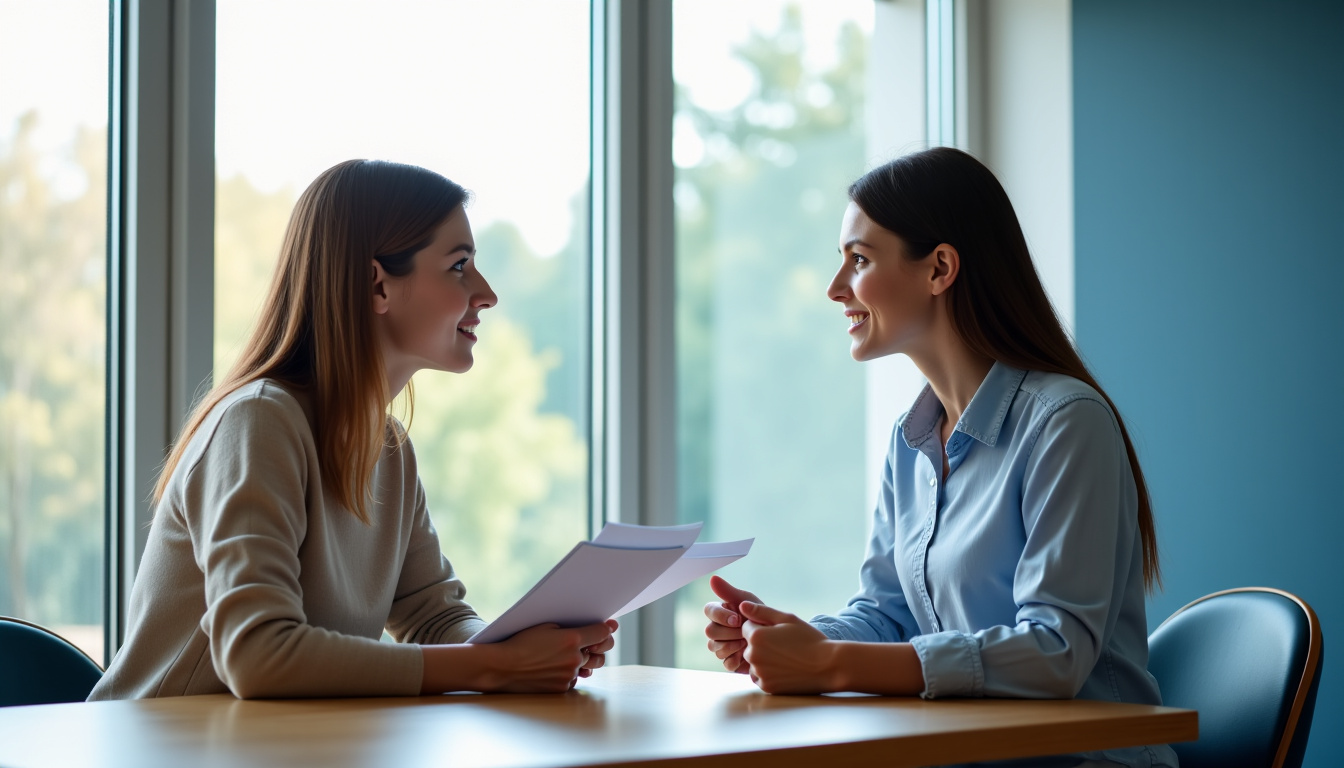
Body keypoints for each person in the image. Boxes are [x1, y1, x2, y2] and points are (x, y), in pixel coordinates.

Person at [703, 147, 1176, 767]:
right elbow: (890, 614)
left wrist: (831, 663)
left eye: (860, 260)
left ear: (940, 268)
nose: (835, 287)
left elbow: (1056, 653)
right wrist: (793, 638)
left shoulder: (1065, 422)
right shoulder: (912, 440)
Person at [90, 159, 615, 701]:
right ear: (377, 285)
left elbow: (435, 618)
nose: (486, 293)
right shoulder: (259, 421)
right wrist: (491, 668)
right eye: (459, 265)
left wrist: (525, 650)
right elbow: (257, 654)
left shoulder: (390, 449)